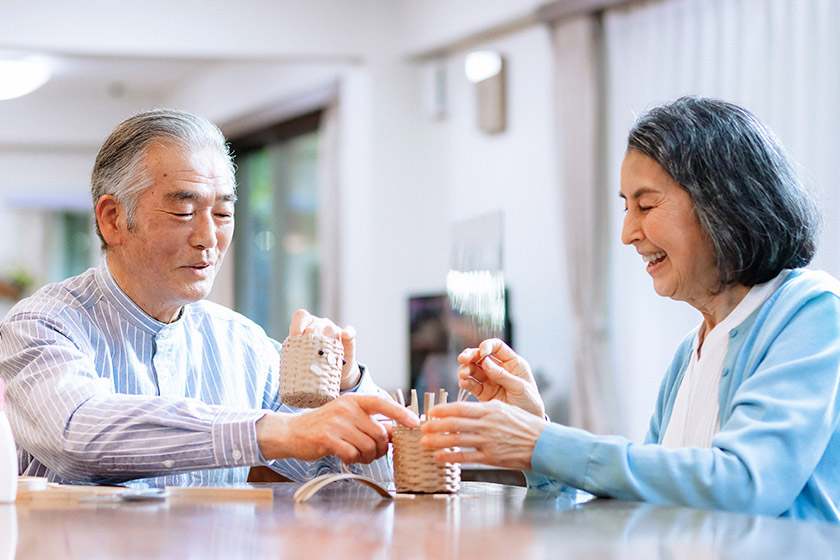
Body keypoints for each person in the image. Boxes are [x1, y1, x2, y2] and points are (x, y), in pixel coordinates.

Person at [421, 96, 840, 521]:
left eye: (646, 205)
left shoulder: (812, 311)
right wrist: (534, 431)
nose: (627, 233)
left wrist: (541, 441)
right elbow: (638, 504)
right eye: (626, 207)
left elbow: (747, 482)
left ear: (722, 203)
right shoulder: (690, 352)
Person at [0, 108, 417, 487]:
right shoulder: (42, 324)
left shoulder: (242, 344)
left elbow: (372, 477)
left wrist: (346, 383)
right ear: (113, 220)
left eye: (223, 214)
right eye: (183, 212)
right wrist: (272, 432)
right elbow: (79, 432)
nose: (208, 238)